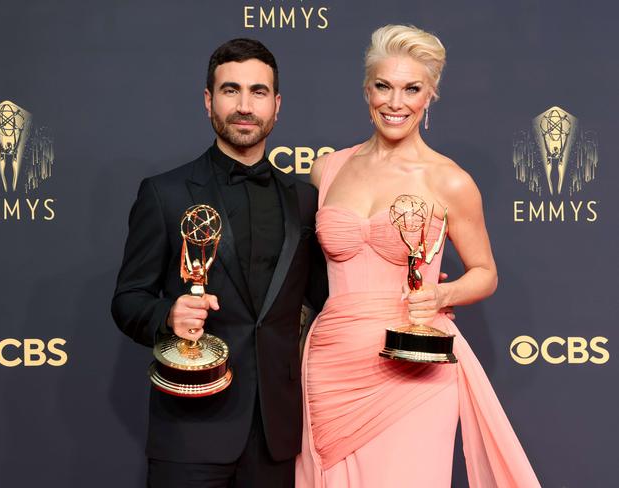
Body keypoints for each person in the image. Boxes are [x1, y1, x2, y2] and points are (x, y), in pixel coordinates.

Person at [295, 25, 540, 487]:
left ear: (430, 96)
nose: (395, 102)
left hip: (415, 365)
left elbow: (485, 273)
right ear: (366, 89)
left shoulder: (450, 180)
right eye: (383, 86)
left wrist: (441, 291)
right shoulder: (327, 169)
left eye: (412, 89)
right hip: (331, 362)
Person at [111, 38, 327, 488]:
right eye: (231, 91)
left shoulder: (305, 201)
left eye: (258, 92)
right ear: (209, 101)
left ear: (277, 105)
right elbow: (128, 300)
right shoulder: (164, 193)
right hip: (190, 429)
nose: (245, 105)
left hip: (277, 433)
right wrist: (167, 314)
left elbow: (326, 296)